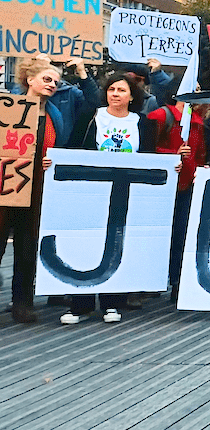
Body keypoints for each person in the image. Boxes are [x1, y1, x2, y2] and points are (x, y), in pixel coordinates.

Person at [63, 72, 160, 324]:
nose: (115, 94)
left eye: (121, 90)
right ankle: (80, 305)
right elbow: (72, 150)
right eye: (111, 89)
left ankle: (111, 303)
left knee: (118, 243)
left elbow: (149, 158)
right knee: (85, 244)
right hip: (91, 193)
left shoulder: (143, 123)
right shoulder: (90, 117)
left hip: (125, 194)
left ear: (131, 96)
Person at [2, 59, 67, 324]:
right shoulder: (8, 108)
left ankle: (23, 303)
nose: (52, 85)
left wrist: (52, 160)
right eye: (47, 79)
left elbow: (61, 145)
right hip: (6, 187)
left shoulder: (55, 115)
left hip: (37, 188)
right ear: (30, 80)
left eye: (55, 82)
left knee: (27, 247)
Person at [146, 80, 207, 299]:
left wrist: (201, 168)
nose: (198, 94)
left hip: (186, 186)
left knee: (181, 235)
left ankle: (176, 282)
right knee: (156, 234)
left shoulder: (199, 123)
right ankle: (150, 281)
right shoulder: (161, 117)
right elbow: (147, 150)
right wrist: (171, 153)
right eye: (195, 90)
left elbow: (199, 155)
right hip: (161, 185)